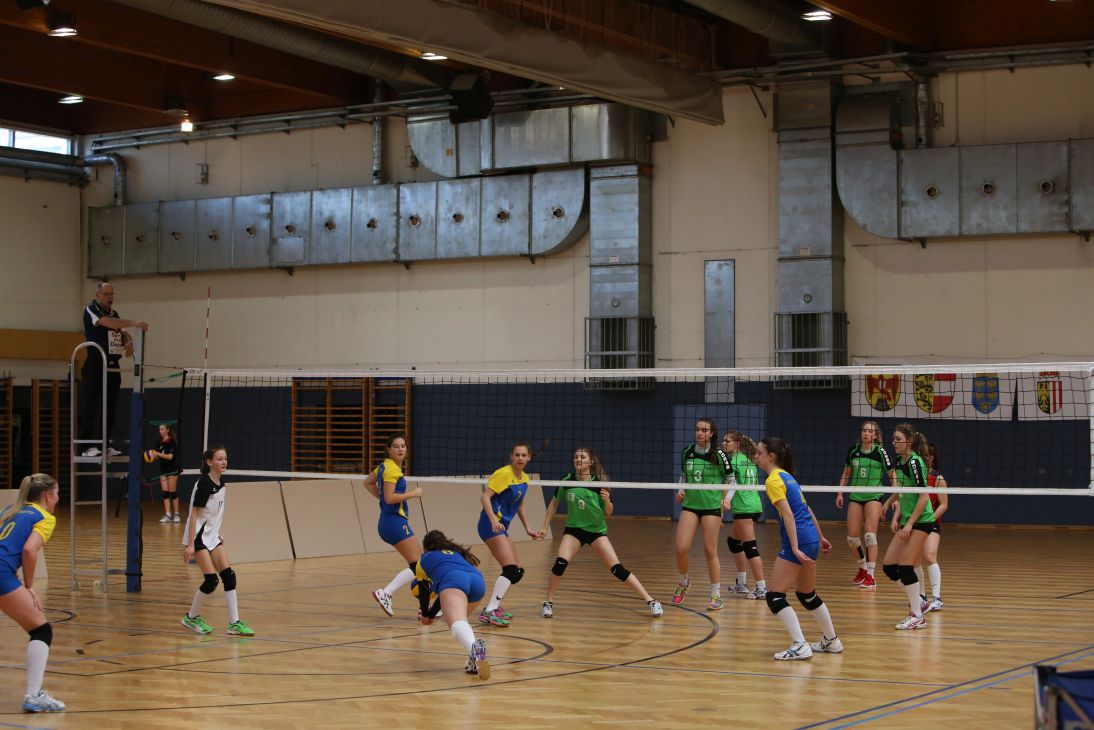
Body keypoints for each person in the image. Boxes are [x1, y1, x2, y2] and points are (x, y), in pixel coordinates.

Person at [539, 447, 663, 619]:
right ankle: (548, 603)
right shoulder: (566, 480)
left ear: (590, 462)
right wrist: (545, 527)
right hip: (574, 530)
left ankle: (651, 601)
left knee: (617, 569)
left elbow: (608, 512)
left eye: (582, 457)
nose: (578, 459)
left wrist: (608, 502)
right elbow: (553, 504)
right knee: (560, 564)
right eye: (576, 456)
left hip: (596, 532)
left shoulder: (598, 484)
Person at [753, 437, 841, 661]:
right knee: (807, 595)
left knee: (774, 596)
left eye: (759, 453)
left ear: (771, 456)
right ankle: (832, 640)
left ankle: (800, 645)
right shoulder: (787, 476)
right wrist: (819, 537)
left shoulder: (773, 480)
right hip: (809, 538)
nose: (756, 457)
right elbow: (807, 509)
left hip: (800, 540)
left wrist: (794, 547)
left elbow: (789, 515)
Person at [0, 473, 65, 712]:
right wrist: (29, 586)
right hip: (1, 573)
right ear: (47, 495)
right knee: (41, 629)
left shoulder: (10, 510)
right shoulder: (44, 517)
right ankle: (34, 694)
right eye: (57, 494)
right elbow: (29, 550)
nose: (58, 498)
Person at [180, 446, 254, 637]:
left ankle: (234, 623)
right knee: (211, 580)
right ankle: (191, 617)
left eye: (225, 459)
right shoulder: (204, 484)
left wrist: (217, 532)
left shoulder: (221, 484)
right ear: (209, 462)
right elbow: (194, 514)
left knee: (229, 576)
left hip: (211, 537)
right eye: (219, 459)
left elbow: (213, 514)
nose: (224, 462)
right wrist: (190, 544)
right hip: (197, 537)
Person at [477, 443, 545, 627]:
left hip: (502, 527)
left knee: (517, 572)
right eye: (517, 455)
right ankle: (490, 610)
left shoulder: (524, 478)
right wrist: (493, 520)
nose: (520, 458)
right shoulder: (503, 474)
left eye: (523, 455)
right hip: (490, 525)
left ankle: (494, 606)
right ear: (511, 456)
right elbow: (485, 497)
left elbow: (519, 504)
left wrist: (528, 528)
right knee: (510, 570)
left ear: (529, 457)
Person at [78, 282, 148, 457]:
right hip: (95, 364)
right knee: (92, 406)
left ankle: (104, 444)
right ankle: (87, 447)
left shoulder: (114, 314)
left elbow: (122, 332)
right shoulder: (91, 310)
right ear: (98, 295)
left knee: (109, 407)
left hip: (112, 366)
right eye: (106, 293)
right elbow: (107, 323)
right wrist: (135, 323)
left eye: (112, 294)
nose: (110, 297)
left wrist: (129, 342)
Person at [880, 423, 937, 630]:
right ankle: (919, 601)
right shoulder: (899, 460)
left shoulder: (915, 462)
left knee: (905, 566)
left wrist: (910, 523)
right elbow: (903, 489)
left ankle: (917, 615)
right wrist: (888, 503)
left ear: (909, 441)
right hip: (908, 521)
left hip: (922, 520)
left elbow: (923, 497)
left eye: (898, 439)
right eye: (893, 439)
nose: (893, 443)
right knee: (889, 566)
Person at [413, 530, 491, 680]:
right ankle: (474, 662)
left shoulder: (423, 560)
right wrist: (432, 614)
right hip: (478, 582)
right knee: (461, 623)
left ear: (425, 547)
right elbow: (444, 595)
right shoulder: (456, 553)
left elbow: (424, 592)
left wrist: (426, 615)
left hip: (455, 580)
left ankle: (476, 651)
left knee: (457, 625)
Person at [672, 418, 732, 611]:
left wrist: (727, 499)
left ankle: (716, 595)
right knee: (681, 548)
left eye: (704, 430)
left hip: (711, 506)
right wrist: (681, 489)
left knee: (709, 550)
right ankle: (684, 582)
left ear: (711, 433)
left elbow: (731, 479)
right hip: (691, 505)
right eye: (697, 429)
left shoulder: (719, 454)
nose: (699, 433)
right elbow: (684, 475)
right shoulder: (687, 451)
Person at [366, 434, 424, 617]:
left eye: (403, 446)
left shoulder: (385, 466)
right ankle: (386, 592)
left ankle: (424, 608)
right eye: (396, 446)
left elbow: (367, 482)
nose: (400, 449)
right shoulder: (392, 470)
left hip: (388, 521)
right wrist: (413, 494)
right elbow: (390, 498)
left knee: (421, 565)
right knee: (420, 565)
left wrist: (382, 498)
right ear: (388, 450)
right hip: (394, 522)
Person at [835, 421, 895, 591]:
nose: (866, 433)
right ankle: (862, 568)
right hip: (856, 496)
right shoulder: (853, 451)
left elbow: (893, 475)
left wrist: (895, 496)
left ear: (875, 435)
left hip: (874, 496)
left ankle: (871, 576)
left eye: (870, 431)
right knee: (852, 539)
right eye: (864, 430)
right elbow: (846, 473)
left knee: (869, 536)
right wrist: (840, 492)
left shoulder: (880, 452)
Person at [722, 431, 767, 600]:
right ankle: (741, 584)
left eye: (727, 441)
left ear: (737, 444)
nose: (724, 443)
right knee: (734, 542)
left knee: (750, 546)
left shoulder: (733, 461)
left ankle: (762, 588)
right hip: (754, 505)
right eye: (723, 441)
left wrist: (725, 502)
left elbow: (731, 483)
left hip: (744, 508)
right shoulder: (749, 460)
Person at [916, 442, 947, 613]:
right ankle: (921, 596)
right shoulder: (914, 476)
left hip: (932, 522)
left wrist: (930, 519)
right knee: (913, 559)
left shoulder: (937, 478)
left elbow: (944, 504)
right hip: (915, 522)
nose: (923, 459)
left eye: (926, 456)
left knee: (929, 555)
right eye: (921, 456)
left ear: (932, 458)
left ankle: (937, 598)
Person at [152, 424, 181, 524]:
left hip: (172, 470)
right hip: (163, 470)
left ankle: (177, 514)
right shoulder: (159, 442)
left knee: (172, 492)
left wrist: (157, 454)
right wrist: (152, 456)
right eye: (159, 429)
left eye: (162, 429)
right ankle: (168, 515)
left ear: (167, 430)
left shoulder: (172, 441)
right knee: (165, 492)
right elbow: (157, 455)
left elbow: (170, 457)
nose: (160, 431)